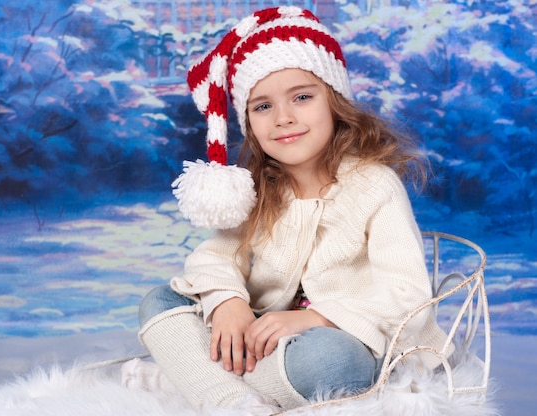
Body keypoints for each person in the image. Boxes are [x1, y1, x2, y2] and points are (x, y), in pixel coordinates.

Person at [138, 6, 450, 414]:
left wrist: (317, 317)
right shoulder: (261, 188)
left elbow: (405, 294)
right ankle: (230, 400)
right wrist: (228, 300)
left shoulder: (373, 186)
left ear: (335, 102)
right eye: (262, 106)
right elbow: (214, 259)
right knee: (161, 301)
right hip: (260, 339)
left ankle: (197, 377)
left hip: (342, 341)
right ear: (249, 123)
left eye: (302, 97)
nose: (283, 118)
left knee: (332, 361)